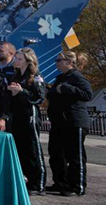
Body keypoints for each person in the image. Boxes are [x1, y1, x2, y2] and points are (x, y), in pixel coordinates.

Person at [46, 51, 94, 196]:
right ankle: (61, 183)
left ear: (69, 62)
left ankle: (77, 186)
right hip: (59, 122)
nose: (56, 63)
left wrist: (67, 88)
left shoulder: (76, 77)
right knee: (56, 153)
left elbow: (88, 94)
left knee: (75, 156)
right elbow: (53, 95)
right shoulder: (60, 78)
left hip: (74, 121)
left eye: (59, 60)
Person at [6, 48, 47, 194]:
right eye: (16, 58)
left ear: (28, 61)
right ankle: (25, 180)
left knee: (33, 149)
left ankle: (38, 184)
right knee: (20, 149)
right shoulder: (16, 76)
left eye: (19, 59)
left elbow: (39, 98)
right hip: (17, 117)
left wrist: (22, 91)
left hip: (30, 116)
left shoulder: (35, 77)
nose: (16, 61)